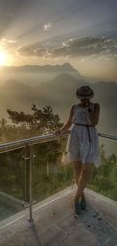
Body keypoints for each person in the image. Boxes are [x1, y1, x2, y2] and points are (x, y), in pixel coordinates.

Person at [56, 85, 100, 214]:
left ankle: (76, 198)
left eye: (86, 97)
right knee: (77, 169)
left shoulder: (96, 106)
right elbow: (69, 123)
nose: (84, 99)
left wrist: (89, 109)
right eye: (82, 97)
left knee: (86, 171)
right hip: (75, 136)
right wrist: (61, 130)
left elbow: (95, 122)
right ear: (79, 97)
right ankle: (81, 195)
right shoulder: (74, 107)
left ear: (90, 97)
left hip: (89, 136)